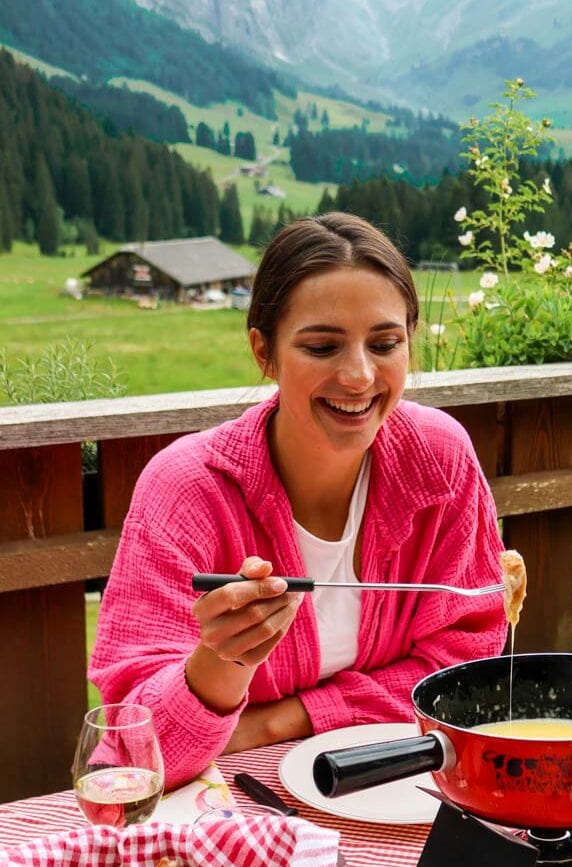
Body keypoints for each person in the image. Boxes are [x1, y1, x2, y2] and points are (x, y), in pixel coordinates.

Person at [89, 212, 508, 790]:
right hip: (226, 807)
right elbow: (134, 747)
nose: (360, 376)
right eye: (321, 346)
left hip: (390, 789)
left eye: (385, 343)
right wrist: (220, 665)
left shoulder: (439, 457)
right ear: (265, 351)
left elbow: (465, 669)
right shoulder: (185, 488)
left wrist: (280, 722)